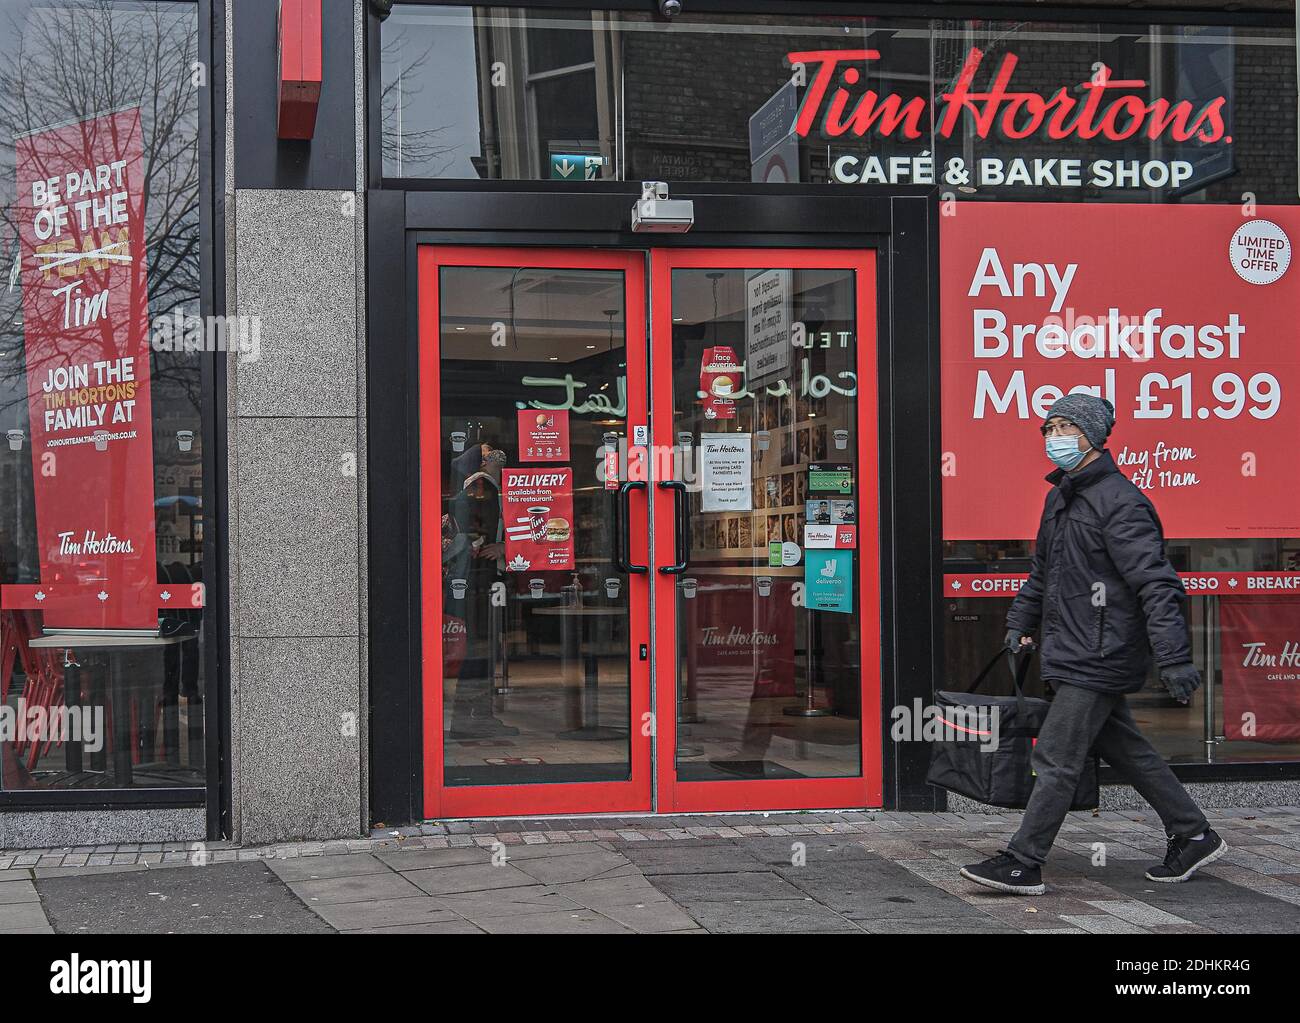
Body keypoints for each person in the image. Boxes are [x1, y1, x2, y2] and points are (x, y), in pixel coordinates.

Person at [960, 393, 1225, 896]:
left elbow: (1157, 583)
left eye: (1063, 426)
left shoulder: (1121, 502)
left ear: (1093, 436)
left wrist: (1173, 657)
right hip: (1072, 649)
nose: (1052, 436)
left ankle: (1023, 861)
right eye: (1048, 426)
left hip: (1100, 655)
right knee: (1127, 751)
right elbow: (1044, 572)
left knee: (1056, 758)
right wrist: (1019, 621)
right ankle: (1193, 833)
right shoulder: (1060, 497)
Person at [446, 448, 517, 739]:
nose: (499, 462)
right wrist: (503, 547)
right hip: (482, 578)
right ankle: (474, 716)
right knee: (483, 647)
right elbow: (478, 532)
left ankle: (473, 715)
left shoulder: (483, 488)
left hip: (476, 577)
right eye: (493, 457)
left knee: (482, 648)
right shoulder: (483, 488)